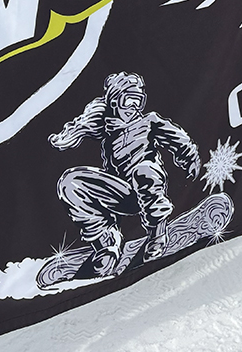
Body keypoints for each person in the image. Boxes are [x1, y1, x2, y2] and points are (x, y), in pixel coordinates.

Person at [49, 71, 201, 272]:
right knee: (70, 181)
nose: (133, 107)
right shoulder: (107, 127)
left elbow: (177, 137)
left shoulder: (148, 121)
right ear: (114, 101)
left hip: (147, 185)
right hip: (122, 193)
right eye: (127, 100)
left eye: (138, 101)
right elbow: (81, 125)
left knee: (143, 171)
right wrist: (67, 136)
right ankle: (106, 241)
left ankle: (158, 232)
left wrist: (190, 158)